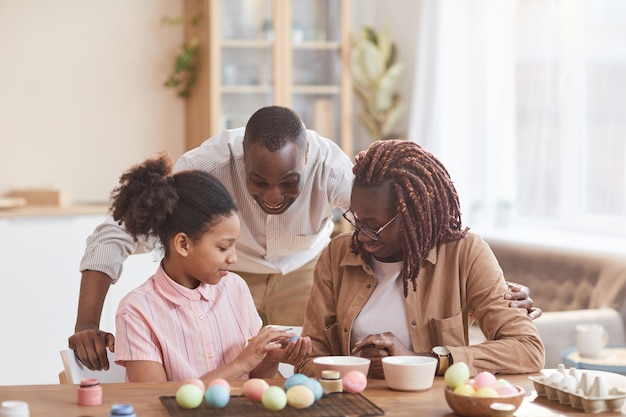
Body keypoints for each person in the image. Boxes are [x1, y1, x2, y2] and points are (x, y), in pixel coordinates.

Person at [69, 106, 539, 371]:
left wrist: (491, 291)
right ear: (240, 163)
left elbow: (414, 217)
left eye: (289, 182)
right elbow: (117, 230)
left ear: (308, 161)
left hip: (301, 270)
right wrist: (87, 323)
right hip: (231, 274)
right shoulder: (209, 167)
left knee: (283, 367)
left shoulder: (334, 171)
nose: (274, 197)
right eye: (258, 182)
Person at [295, 140, 545, 379]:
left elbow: (527, 349)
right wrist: (356, 366)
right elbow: (308, 360)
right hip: (353, 405)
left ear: (412, 216)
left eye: (373, 226)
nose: (360, 235)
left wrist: (421, 360)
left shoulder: (464, 254)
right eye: (356, 220)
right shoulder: (337, 256)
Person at [109, 153, 311, 382]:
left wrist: (268, 358)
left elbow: (255, 378)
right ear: (183, 244)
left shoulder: (235, 288)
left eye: (235, 245)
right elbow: (156, 401)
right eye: (223, 247)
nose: (233, 258)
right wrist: (242, 362)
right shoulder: (137, 311)